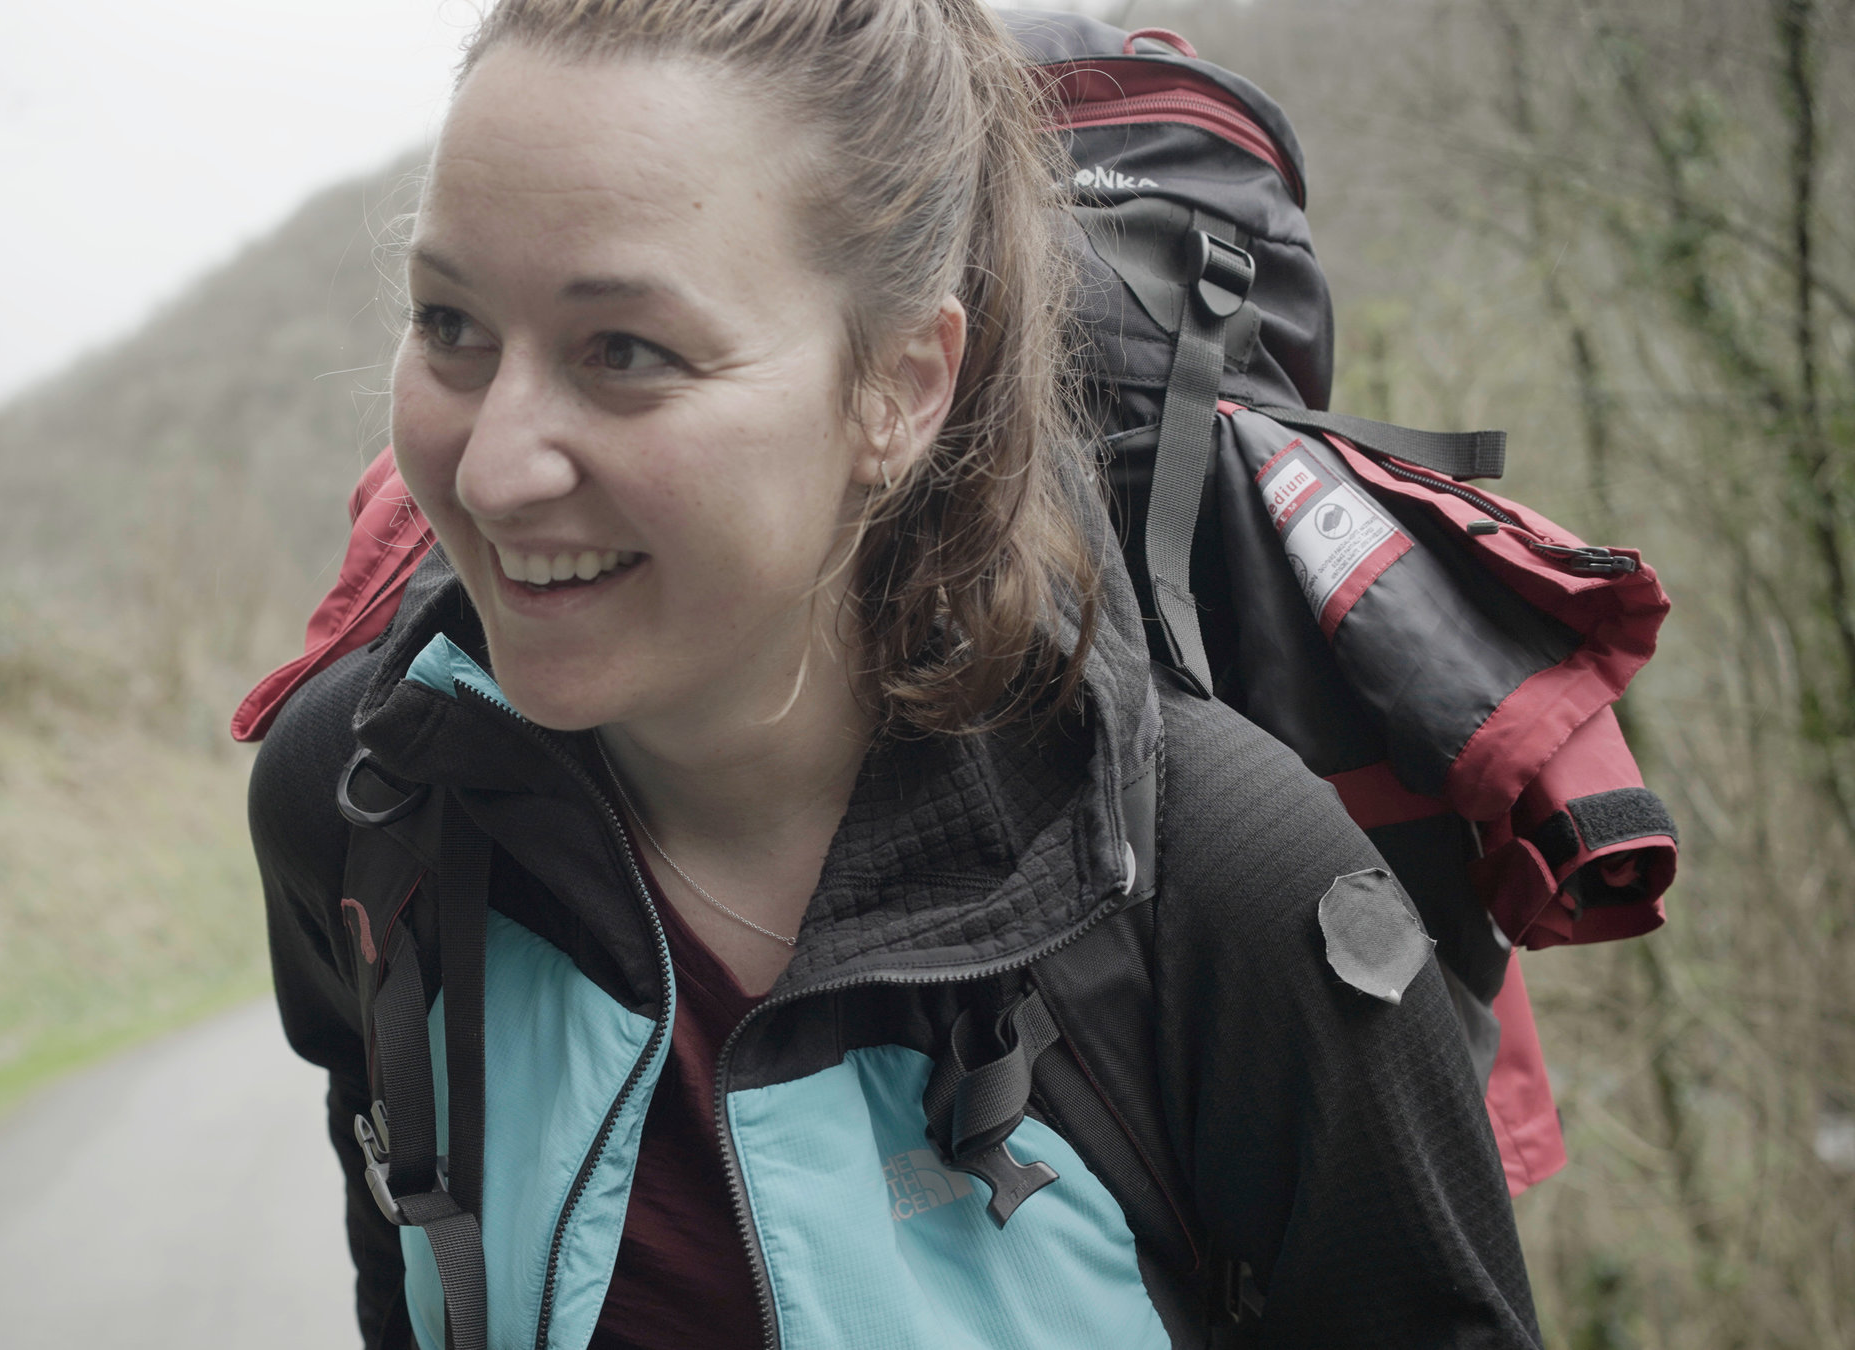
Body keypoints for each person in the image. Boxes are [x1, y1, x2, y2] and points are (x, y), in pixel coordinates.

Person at [248, 1, 1542, 1346]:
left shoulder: (1217, 883)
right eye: (451, 323)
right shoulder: (364, 799)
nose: (493, 468)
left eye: (624, 350)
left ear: (903, 387)